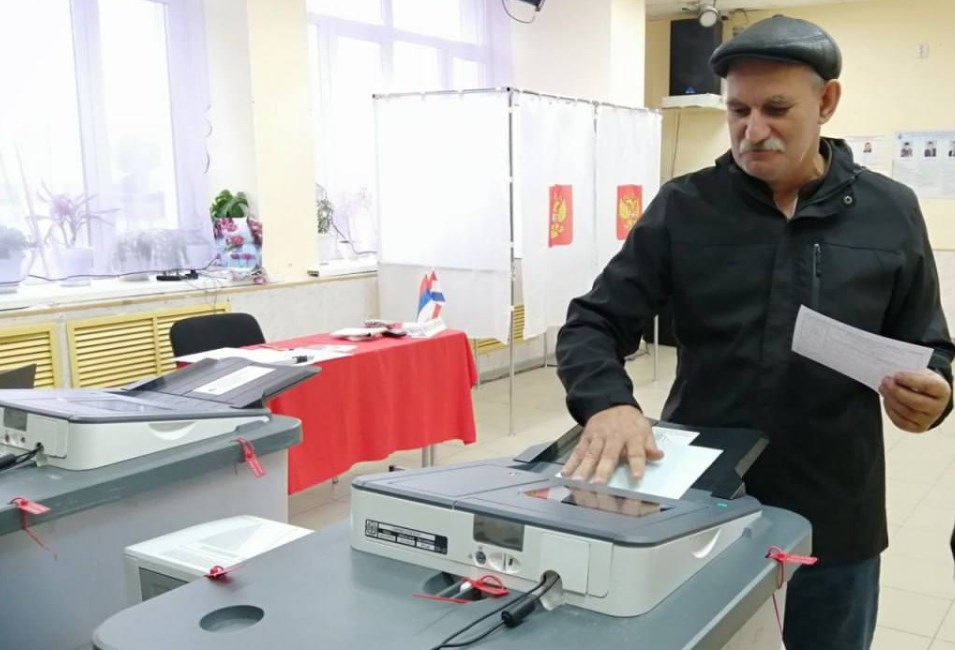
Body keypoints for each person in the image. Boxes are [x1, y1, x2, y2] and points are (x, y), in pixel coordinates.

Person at [555, 14, 954, 650]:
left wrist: (935, 393)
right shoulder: (686, 207)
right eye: (738, 110)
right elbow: (592, 322)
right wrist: (608, 404)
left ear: (827, 102)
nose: (753, 130)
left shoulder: (890, 211)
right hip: (701, 500)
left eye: (776, 109)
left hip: (835, 510)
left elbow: (930, 346)